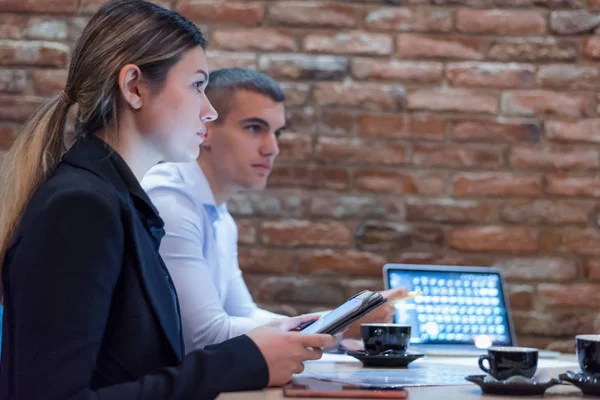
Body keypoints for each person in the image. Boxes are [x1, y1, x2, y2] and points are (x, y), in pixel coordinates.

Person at [0, 2, 335, 399]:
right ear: (134, 88)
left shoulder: (118, 203)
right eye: (197, 85)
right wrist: (245, 360)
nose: (208, 111)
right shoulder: (81, 207)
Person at [142, 68, 407, 352]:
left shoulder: (219, 216)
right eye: (255, 128)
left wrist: (335, 325)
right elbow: (205, 336)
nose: (272, 148)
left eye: (276, 132)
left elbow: (244, 314)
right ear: (204, 128)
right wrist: (337, 324)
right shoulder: (170, 201)